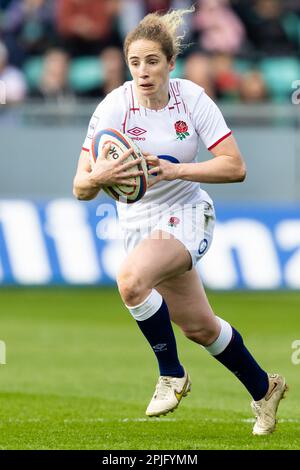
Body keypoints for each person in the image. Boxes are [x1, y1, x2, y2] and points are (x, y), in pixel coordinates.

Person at [73, 7, 288, 436]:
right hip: (139, 221)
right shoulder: (115, 106)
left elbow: (234, 166)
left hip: (189, 213)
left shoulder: (191, 99)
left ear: (170, 63)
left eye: (152, 61)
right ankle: (265, 388)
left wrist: (173, 170)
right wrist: (100, 175)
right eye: (135, 62)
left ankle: (171, 374)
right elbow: (80, 187)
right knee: (199, 327)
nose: (143, 71)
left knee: (132, 281)